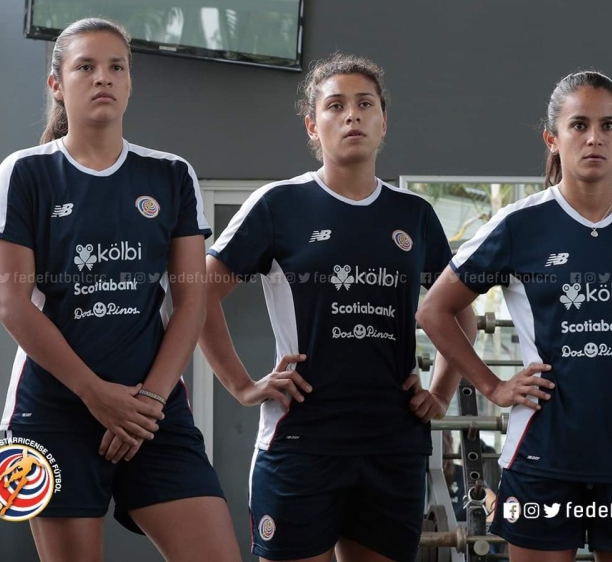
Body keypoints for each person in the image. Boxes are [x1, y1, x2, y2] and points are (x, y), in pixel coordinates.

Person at [417, 70, 612, 562]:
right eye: (579, 125)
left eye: (608, 126)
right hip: (541, 457)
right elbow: (434, 309)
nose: (594, 138)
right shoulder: (520, 224)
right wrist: (493, 386)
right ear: (553, 138)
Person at [0, 17, 240, 562]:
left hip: (152, 411)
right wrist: (94, 394)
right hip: (56, 410)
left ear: (129, 81)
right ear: (57, 84)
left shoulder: (171, 174)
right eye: (86, 67)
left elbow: (191, 302)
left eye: (116, 67)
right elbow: (12, 305)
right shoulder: (24, 173)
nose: (104, 77)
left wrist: (147, 402)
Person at [198, 53, 473, 562]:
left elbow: (459, 311)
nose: (352, 116)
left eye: (365, 104)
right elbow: (198, 292)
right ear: (312, 125)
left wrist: (440, 391)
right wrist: (241, 385)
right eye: (336, 105)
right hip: (300, 441)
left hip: (392, 444)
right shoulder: (278, 204)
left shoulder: (414, 214)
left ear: (383, 121)